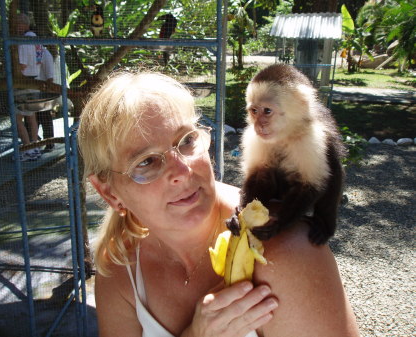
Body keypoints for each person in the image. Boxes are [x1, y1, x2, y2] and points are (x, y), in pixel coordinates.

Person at [77, 72, 360, 337]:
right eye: (146, 162)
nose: (182, 171)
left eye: (186, 141)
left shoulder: (286, 254)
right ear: (109, 193)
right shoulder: (120, 267)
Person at [14, 13, 42, 161]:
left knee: (17, 118)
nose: (15, 27)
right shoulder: (36, 39)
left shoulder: (25, 40)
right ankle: (35, 146)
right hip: (34, 81)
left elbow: (22, 64)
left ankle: (27, 148)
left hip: (23, 82)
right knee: (31, 116)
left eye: (17, 24)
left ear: (24, 24)